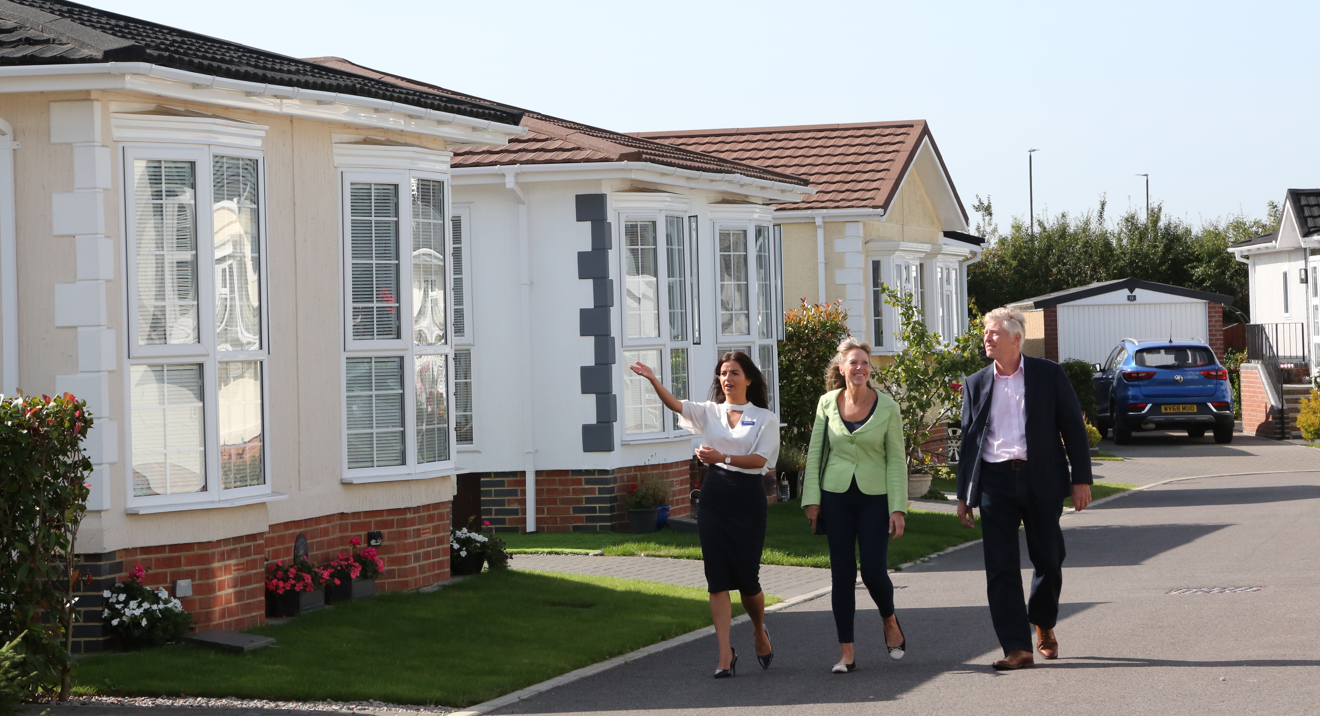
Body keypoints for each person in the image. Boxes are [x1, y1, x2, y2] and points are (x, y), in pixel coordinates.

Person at [955, 306, 1093, 671]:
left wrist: (1081, 479)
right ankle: (1017, 647)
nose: (987, 338)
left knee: (1049, 557)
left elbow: (1072, 429)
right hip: (994, 481)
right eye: (985, 332)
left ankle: (1043, 621)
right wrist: (964, 496)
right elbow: (970, 442)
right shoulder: (976, 383)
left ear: (1017, 338)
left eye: (994, 332)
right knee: (1000, 566)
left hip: (1040, 478)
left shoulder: (1048, 375)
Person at [629, 352, 780, 679]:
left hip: (748, 501)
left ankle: (758, 629)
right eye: (723, 373)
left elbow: (760, 461)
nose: (727, 379)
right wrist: (654, 380)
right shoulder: (710, 412)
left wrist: (721, 455)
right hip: (714, 499)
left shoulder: (764, 417)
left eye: (734, 373)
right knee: (717, 579)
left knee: (747, 579)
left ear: (748, 379)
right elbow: (676, 405)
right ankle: (725, 653)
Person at [801, 337, 908, 674]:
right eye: (854, 362)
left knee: (874, 572)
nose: (860, 367)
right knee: (842, 574)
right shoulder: (827, 403)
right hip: (836, 496)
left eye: (865, 362)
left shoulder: (889, 407)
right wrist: (812, 500)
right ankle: (846, 652)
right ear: (842, 369)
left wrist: (898, 507)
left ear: (869, 369)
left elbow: (895, 461)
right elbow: (816, 452)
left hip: (875, 499)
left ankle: (889, 618)